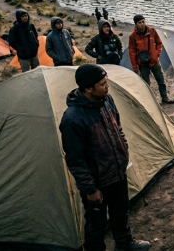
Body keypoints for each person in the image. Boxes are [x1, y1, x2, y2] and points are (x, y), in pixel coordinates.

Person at [59, 64, 150, 251]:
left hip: (118, 172)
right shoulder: (72, 119)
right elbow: (75, 160)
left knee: (120, 213)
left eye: (106, 81)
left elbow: (118, 127)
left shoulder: (107, 100)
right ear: (88, 89)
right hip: (98, 182)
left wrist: (123, 152)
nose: (107, 86)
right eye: (102, 84)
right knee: (96, 225)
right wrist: (90, 189)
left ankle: (124, 244)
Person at [128, 15, 174, 104]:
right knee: (146, 84)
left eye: (143, 21)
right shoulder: (133, 36)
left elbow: (159, 43)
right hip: (143, 64)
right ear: (136, 24)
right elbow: (132, 51)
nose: (142, 24)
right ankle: (148, 102)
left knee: (161, 80)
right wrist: (135, 66)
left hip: (154, 61)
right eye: (140, 22)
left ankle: (165, 98)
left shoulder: (152, 31)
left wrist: (156, 54)